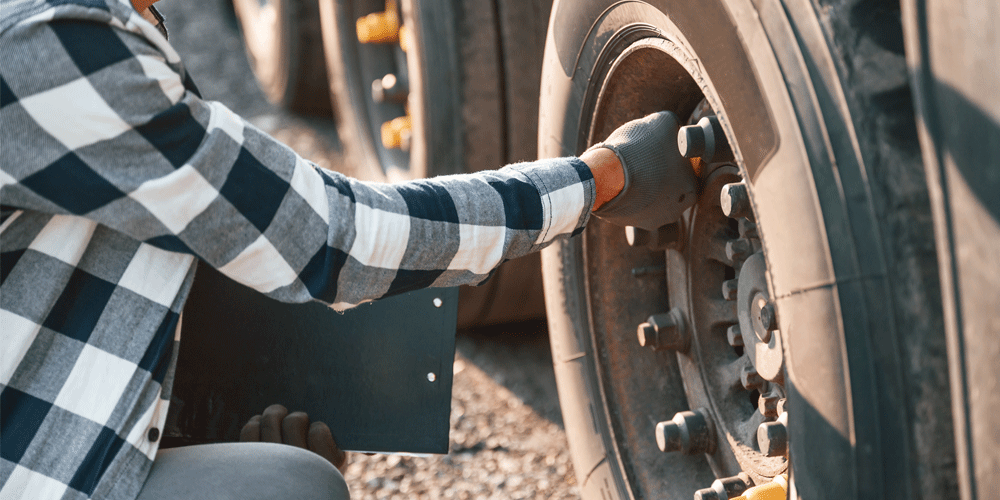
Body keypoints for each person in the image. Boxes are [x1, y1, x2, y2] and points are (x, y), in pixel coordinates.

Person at [0, 0, 698, 498]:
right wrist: (602, 179)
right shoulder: (51, 47)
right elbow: (338, 238)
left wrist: (181, 433)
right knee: (289, 488)